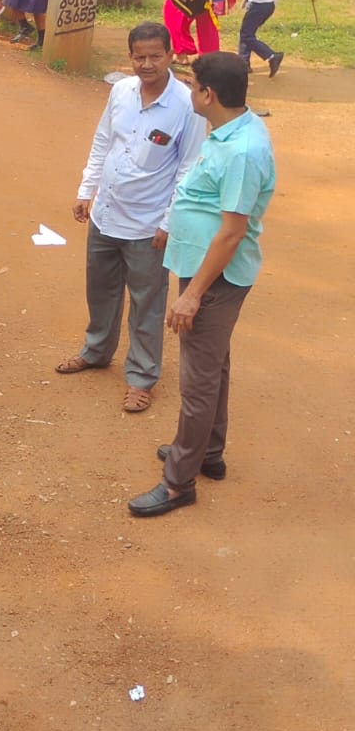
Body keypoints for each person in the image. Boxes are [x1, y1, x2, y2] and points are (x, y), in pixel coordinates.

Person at [129, 54, 275, 518]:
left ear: (208, 94)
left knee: (197, 380)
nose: (187, 90)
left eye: (191, 84)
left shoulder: (242, 150)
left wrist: (193, 295)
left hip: (216, 277)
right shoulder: (230, 131)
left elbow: (232, 232)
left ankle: (178, 482)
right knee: (214, 364)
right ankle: (207, 453)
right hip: (203, 267)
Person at [56, 22, 206, 415]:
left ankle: (141, 377)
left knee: (147, 304)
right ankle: (96, 350)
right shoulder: (121, 91)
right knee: (100, 289)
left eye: (156, 56)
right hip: (106, 214)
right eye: (139, 56)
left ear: (171, 55)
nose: (147, 64)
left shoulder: (187, 106)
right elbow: (104, 140)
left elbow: (188, 167)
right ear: (130, 57)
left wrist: (169, 221)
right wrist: (86, 190)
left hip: (147, 225)